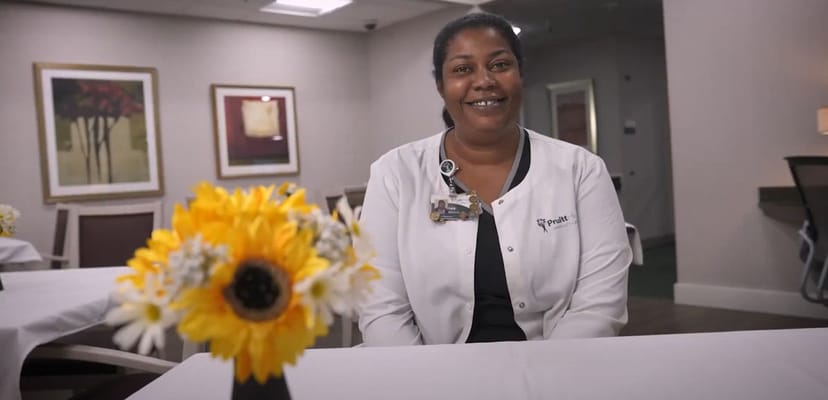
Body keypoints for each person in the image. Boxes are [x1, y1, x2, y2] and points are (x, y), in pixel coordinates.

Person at [358, 12, 632, 346]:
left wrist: (549, 374)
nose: (484, 80)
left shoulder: (581, 170)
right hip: (432, 370)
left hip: (559, 365)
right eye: (462, 69)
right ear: (441, 87)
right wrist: (425, 379)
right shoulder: (395, 174)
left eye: (500, 64)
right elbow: (380, 306)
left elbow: (599, 304)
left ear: (520, 75)